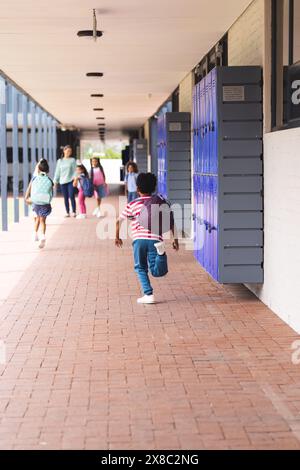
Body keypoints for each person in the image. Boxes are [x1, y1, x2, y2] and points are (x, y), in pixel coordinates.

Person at [115, 173, 179, 304]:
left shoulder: (132, 204)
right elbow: (171, 222)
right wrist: (175, 239)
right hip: (156, 240)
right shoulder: (159, 202)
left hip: (139, 240)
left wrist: (117, 237)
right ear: (154, 188)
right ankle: (161, 254)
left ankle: (148, 294)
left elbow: (118, 221)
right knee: (156, 272)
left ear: (137, 189)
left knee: (140, 268)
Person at [25, 159, 53, 249]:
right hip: (45, 203)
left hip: (36, 202)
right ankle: (43, 235)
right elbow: (51, 193)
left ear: (38, 169)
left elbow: (29, 188)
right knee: (43, 220)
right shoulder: (49, 180)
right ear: (47, 170)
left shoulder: (34, 178)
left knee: (37, 218)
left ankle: (35, 234)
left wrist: (26, 198)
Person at [54, 145, 77, 218]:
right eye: (68, 151)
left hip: (70, 181)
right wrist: (55, 182)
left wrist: (75, 179)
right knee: (65, 197)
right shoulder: (59, 161)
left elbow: (75, 171)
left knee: (71, 196)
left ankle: (73, 211)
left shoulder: (72, 160)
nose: (69, 152)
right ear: (64, 151)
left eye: (70, 151)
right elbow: (57, 172)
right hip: (62, 182)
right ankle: (67, 212)